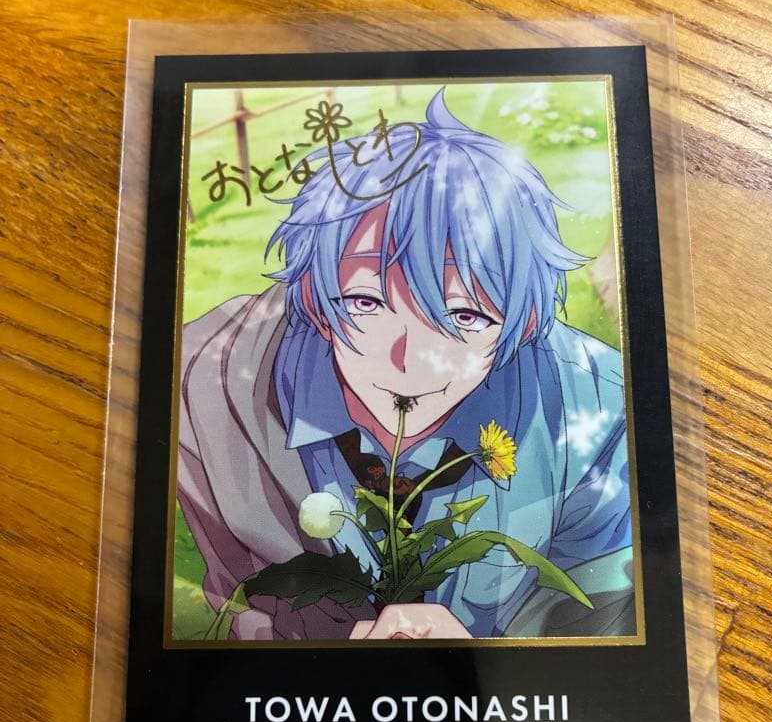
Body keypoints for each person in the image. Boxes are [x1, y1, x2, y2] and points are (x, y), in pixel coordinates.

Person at [178, 90, 635, 640]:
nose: (409, 361)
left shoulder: (599, 410)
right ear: (314, 297)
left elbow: (607, 622)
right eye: (366, 302)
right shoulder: (207, 383)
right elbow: (230, 607)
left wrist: (484, 663)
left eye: (465, 314)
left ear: (527, 316)